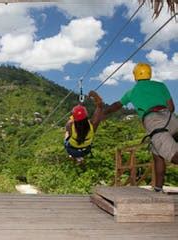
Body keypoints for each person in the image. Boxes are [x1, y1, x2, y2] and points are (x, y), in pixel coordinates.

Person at [103, 62, 178, 192]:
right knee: (157, 155)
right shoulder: (161, 85)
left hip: (153, 122)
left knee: (173, 156)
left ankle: (158, 188)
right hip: (171, 118)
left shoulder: (132, 92)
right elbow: (171, 107)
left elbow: (117, 105)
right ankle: (158, 188)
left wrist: (104, 112)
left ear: (135, 76)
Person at [64, 91, 103, 163]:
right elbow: (100, 106)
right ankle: (79, 157)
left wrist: (72, 118)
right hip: (86, 150)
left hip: (72, 150)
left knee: (67, 134)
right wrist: (95, 96)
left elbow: (68, 129)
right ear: (86, 115)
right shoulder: (93, 124)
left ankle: (74, 156)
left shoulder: (70, 124)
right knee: (79, 140)